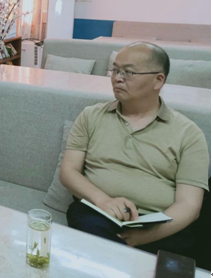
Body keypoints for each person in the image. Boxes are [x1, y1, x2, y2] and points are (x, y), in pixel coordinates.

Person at [60, 42, 209, 257]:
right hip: (99, 213)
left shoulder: (188, 133)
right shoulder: (91, 116)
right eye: (115, 70)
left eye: (128, 72)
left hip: (161, 226)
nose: (117, 78)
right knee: (88, 225)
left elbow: (189, 205)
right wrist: (104, 201)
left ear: (158, 80)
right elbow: (69, 171)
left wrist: (143, 236)